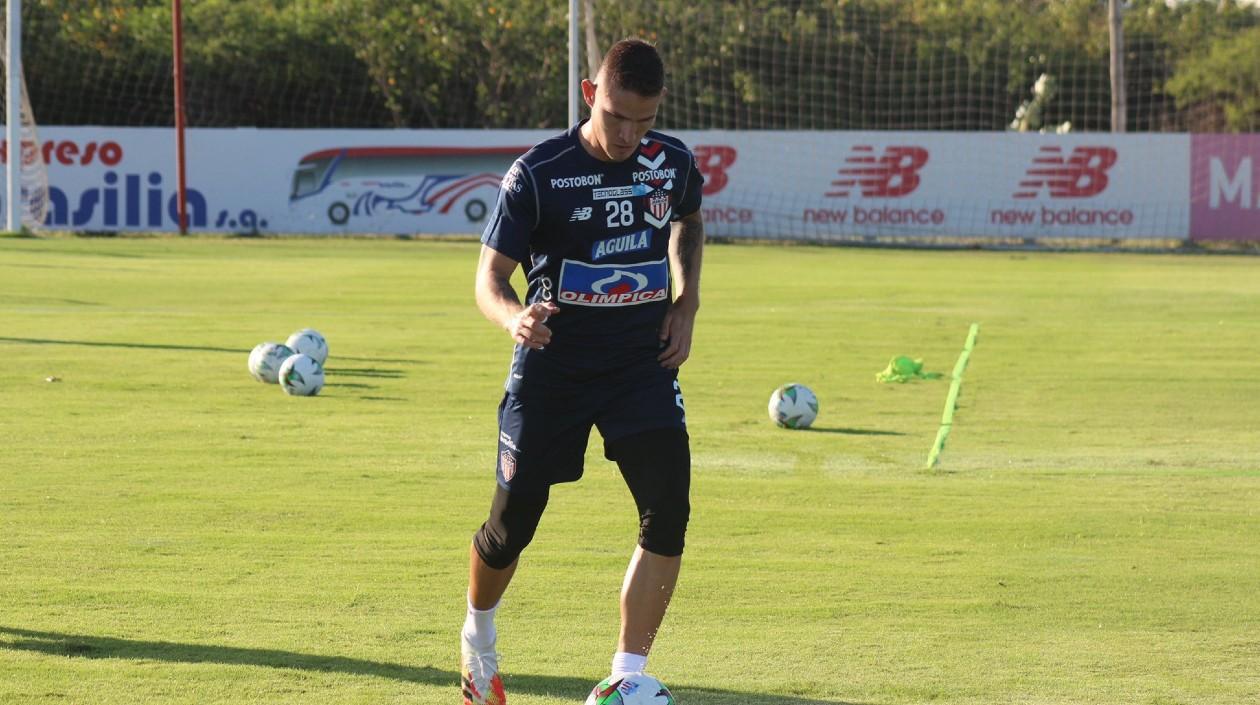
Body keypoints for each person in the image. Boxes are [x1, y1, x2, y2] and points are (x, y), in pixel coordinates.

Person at [459, 38, 706, 705]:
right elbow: (488, 277)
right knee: (512, 525)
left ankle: (628, 673)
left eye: (645, 121)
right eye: (618, 116)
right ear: (590, 94)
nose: (630, 134)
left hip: (639, 364)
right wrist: (513, 318)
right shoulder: (539, 173)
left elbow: (688, 221)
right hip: (553, 366)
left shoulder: (671, 161)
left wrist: (687, 300)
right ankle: (478, 638)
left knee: (669, 508)